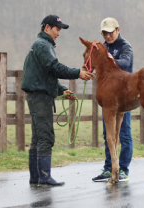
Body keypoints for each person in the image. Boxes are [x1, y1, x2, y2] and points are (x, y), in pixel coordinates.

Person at [21, 14, 94, 187]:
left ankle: (36, 177)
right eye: (57, 29)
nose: (59, 33)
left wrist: (62, 89)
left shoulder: (41, 45)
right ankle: (44, 177)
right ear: (47, 28)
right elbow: (54, 67)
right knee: (45, 137)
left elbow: (47, 73)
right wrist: (77, 73)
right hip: (40, 97)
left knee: (38, 138)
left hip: (38, 95)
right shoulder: (43, 45)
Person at [92, 17, 134, 182]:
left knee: (123, 134)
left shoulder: (125, 46)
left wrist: (111, 60)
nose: (107, 36)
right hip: (109, 98)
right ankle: (109, 168)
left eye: (110, 32)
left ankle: (123, 169)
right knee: (107, 134)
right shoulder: (103, 47)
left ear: (118, 30)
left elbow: (126, 62)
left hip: (124, 96)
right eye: (104, 33)